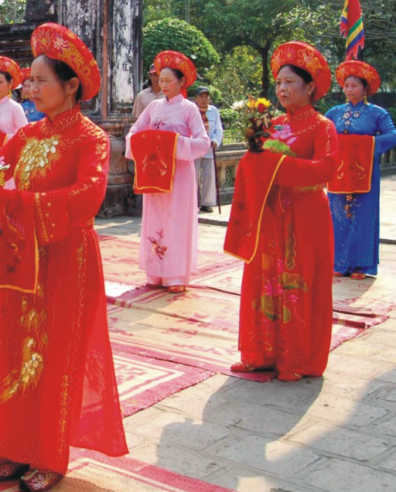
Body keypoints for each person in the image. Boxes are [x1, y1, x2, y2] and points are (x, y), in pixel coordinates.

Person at [0, 23, 126, 491]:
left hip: (66, 260)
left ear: (70, 85)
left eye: (39, 80)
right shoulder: (28, 135)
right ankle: (12, 445)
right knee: (17, 350)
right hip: (23, 261)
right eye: (28, 81)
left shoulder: (90, 138)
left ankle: (50, 455)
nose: (29, 88)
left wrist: (22, 206)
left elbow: (88, 196)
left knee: (57, 356)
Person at [227, 41, 338, 382]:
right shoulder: (269, 124)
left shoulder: (322, 126)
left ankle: (297, 359)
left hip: (305, 218)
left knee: (298, 281)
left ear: (310, 87)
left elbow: (328, 168)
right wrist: (260, 164)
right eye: (278, 83)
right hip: (270, 216)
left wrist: (277, 167)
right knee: (265, 280)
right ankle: (260, 353)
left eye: (290, 82)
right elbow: (251, 165)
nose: (283, 88)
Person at [126, 51, 210, 293]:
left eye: (168, 80)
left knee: (176, 219)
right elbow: (133, 134)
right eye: (160, 80)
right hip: (155, 173)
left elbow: (202, 142)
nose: (162, 85)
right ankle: (155, 271)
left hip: (179, 174)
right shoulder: (152, 106)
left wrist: (173, 144)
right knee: (155, 219)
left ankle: (175, 275)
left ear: (182, 82)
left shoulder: (189, 109)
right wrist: (148, 142)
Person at [326, 61, 396, 279]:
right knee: (337, 217)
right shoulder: (333, 112)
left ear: (365, 89)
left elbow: (392, 136)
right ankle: (339, 262)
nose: (348, 89)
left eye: (354, 85)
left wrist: (365, 144)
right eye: (346, 85)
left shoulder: (377, 113)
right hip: (337, 174)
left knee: (362, 216)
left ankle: (361, 266)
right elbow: (322, 135)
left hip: (364, 173)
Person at [193, 87, 224, 213]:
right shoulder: (192, 110)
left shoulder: (214, 111)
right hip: (194, 148)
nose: (204, 99)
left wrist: (216, 140)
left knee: (209, 176)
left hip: (209, 149)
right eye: (201, 96)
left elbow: (218, 128)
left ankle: (207, 203)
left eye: (206, 96)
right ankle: (192, 201)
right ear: (196, 98)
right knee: (193, 176)